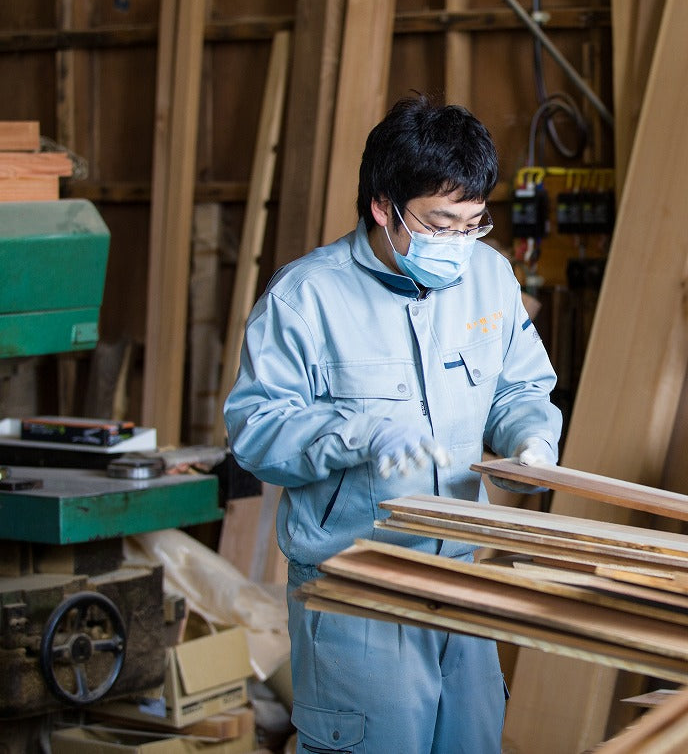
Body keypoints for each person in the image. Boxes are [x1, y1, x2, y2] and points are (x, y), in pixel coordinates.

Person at [223, 95, 562, 753]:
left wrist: (530, 438)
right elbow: (255, 432)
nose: (461, 243)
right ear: (383, 206)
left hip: (464, 584)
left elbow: (520, 383)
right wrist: (360, 433)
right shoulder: (304, 299)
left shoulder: (491, 278)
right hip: (357, 597)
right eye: (442, 223)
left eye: (473, 223)